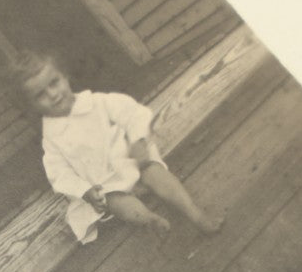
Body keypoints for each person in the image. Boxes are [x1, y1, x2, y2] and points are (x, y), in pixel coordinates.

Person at [14, 52, 223, 244]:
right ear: (31, 105)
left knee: (153, 170)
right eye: (41, 95)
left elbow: (134, 114)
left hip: (131, 161)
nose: (52, 94)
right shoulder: (51, 138)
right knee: (115, 201)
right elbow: (59, 174)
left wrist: (137, 140)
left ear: (65, 77)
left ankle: (195, 214)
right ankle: (149, 219)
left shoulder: (98, 103)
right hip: (105, 184)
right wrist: (84, 190)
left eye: (54, 83)